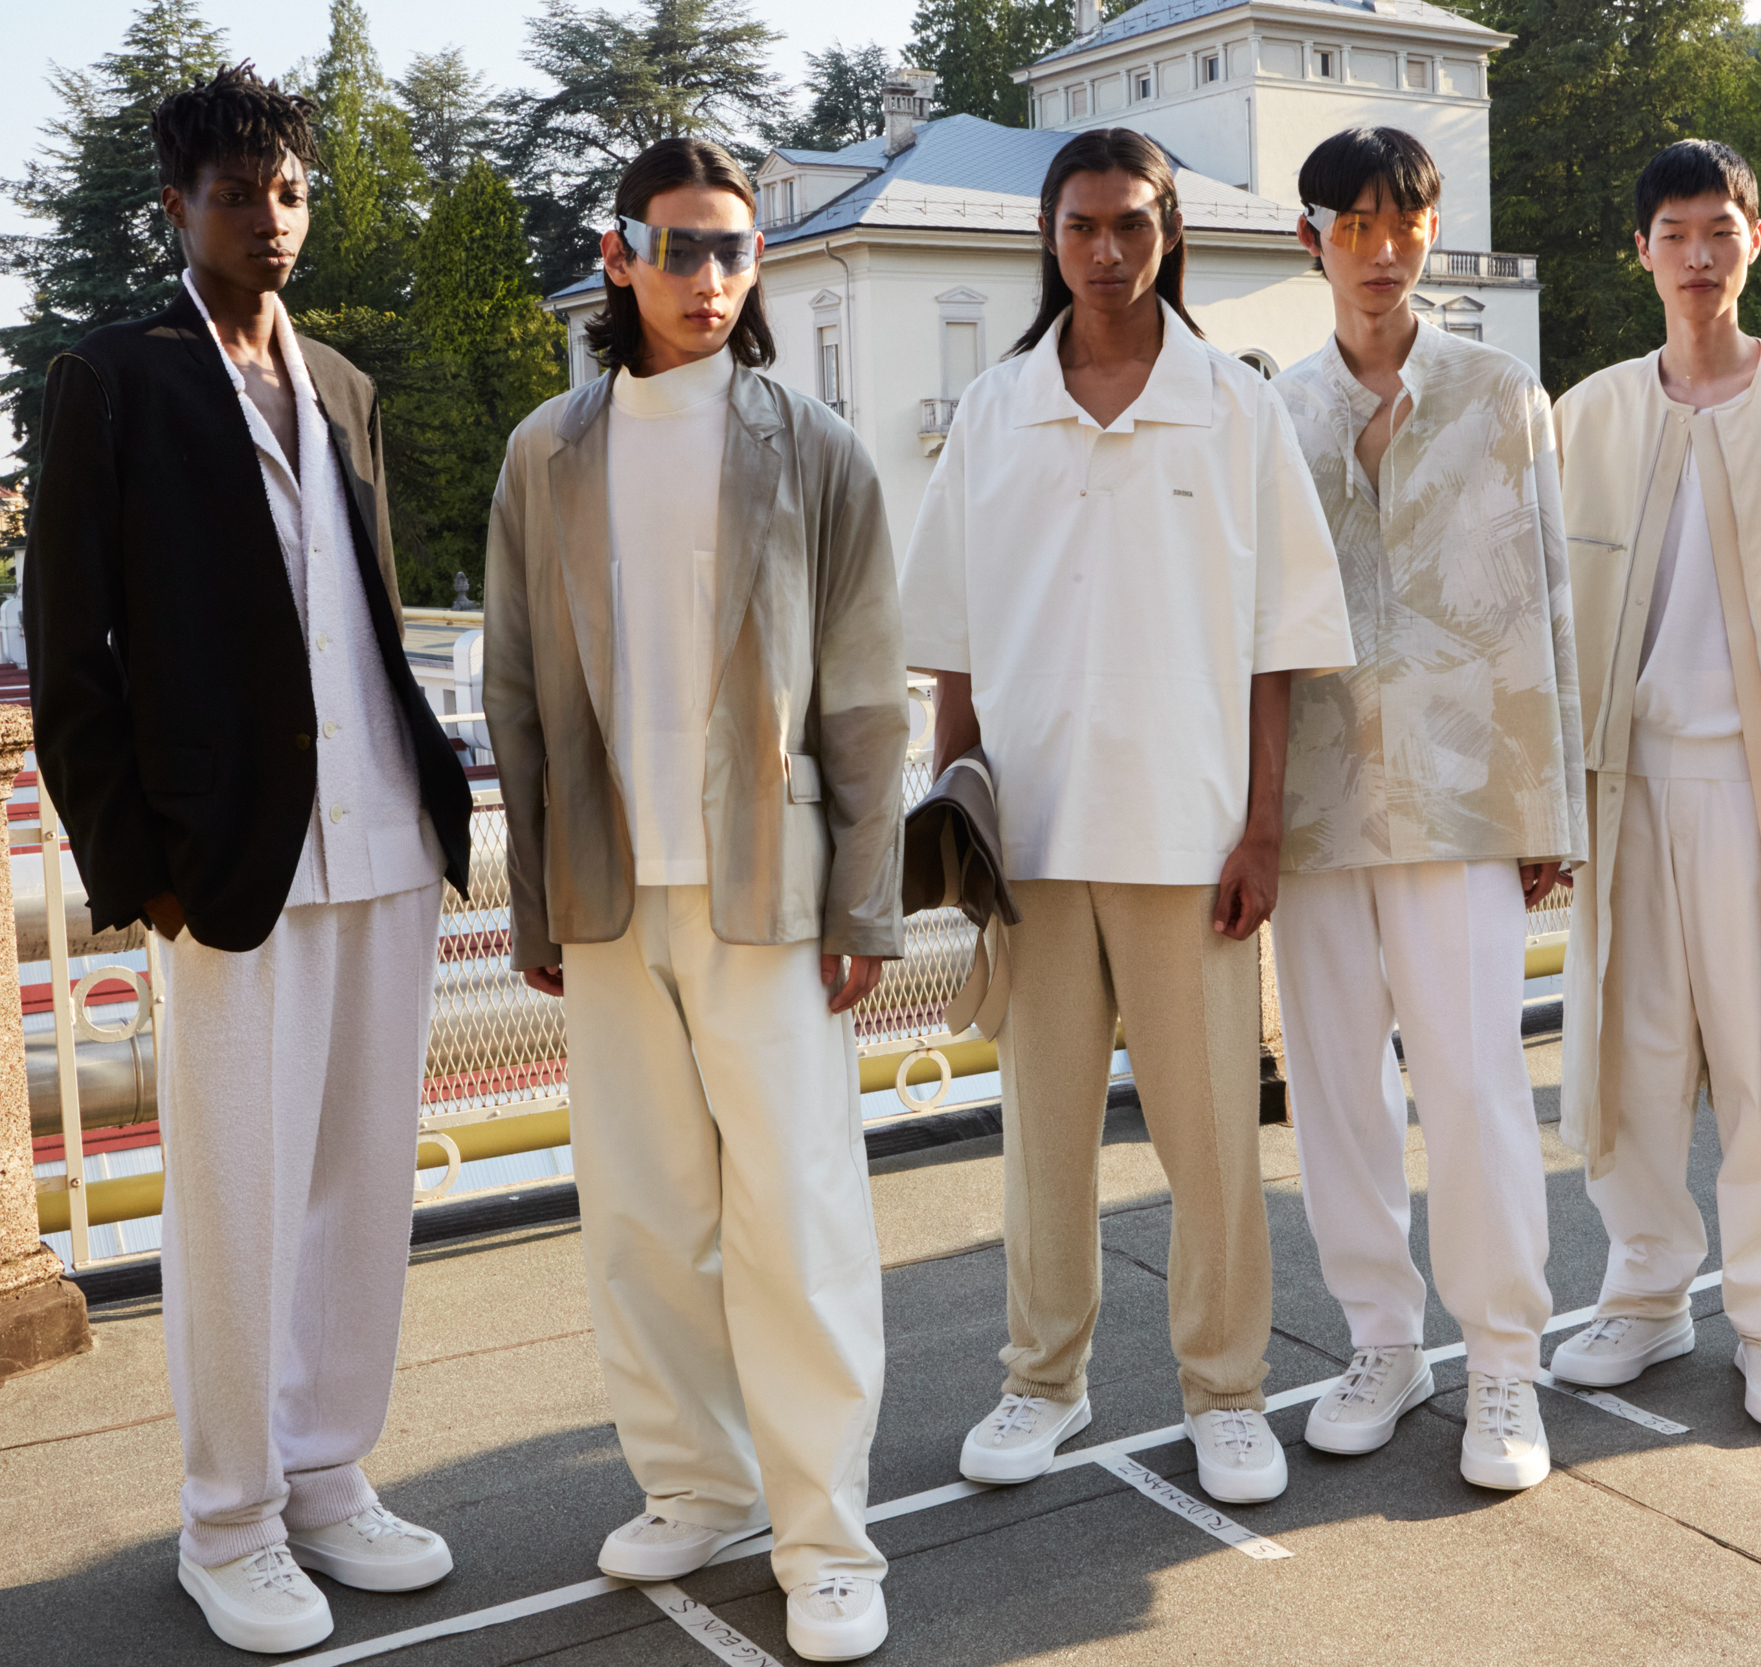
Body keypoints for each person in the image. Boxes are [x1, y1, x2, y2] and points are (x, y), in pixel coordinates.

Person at [26, 64, 472, 1655]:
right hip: (226, 864)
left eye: (288, 193)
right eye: (236, 196)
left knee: (360, 1189)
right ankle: (229, 1521)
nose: (269, 220)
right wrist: (133, 864)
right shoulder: (112, 379)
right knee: (237, 1201)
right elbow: (67, 649)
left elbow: (367, 612)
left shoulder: (342, 381)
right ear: (179, 206)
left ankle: (328, 1474)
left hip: (382, 840)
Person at [483, 137, 907, 1662]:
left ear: (756, 259)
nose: (708, 277)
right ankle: (697, 1483)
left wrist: (866, 901)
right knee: (643, 1217)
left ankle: (826, 1533)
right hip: (608, 885)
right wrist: (532, 900)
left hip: (770, 890)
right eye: (679, 247)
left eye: (732, 249)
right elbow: (512, 689)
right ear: (621, 256)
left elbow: (867, 695)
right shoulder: (547, 450)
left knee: (799, 1218)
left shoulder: (819, 447)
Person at [899, 127, 1354, 1506]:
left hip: (1188, 835)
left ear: (1170, 234)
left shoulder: (1237, 408)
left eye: (1133, 224)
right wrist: (953, 823)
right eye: (1083, 225)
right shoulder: (993, 411)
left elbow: (1280, 646)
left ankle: (1227, 1390)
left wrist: (1261, 829)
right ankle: (1044, 1377)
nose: (1107, 249)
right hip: (1032, 840)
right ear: (1050, 239)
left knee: (1210, 1141)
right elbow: (951, 643)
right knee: (1041, 1140)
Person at [1547, 139, 1761, 1433]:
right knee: (1632, 1052)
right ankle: (1645, 1292)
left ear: (1756, 239)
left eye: (1720, 230)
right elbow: (1544, 623)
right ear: (1639, 250)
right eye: (1674, 233)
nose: (1698, 256)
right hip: (1625, 781)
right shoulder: (1588, 412)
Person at [1269, 127, 1582, 1490]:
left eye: (1405, 222)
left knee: (1474, 1078)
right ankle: (1381, 1340)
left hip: (1465, 793)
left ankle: (1503, 1355)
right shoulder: (1275, 411)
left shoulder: (1502, 392)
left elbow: (1549, 595)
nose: (1383, 249)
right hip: (1316, 800)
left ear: (1432, 232)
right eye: (1355, 224)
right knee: (1336, 1086)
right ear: (1312, 239)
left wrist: (1551, 804)